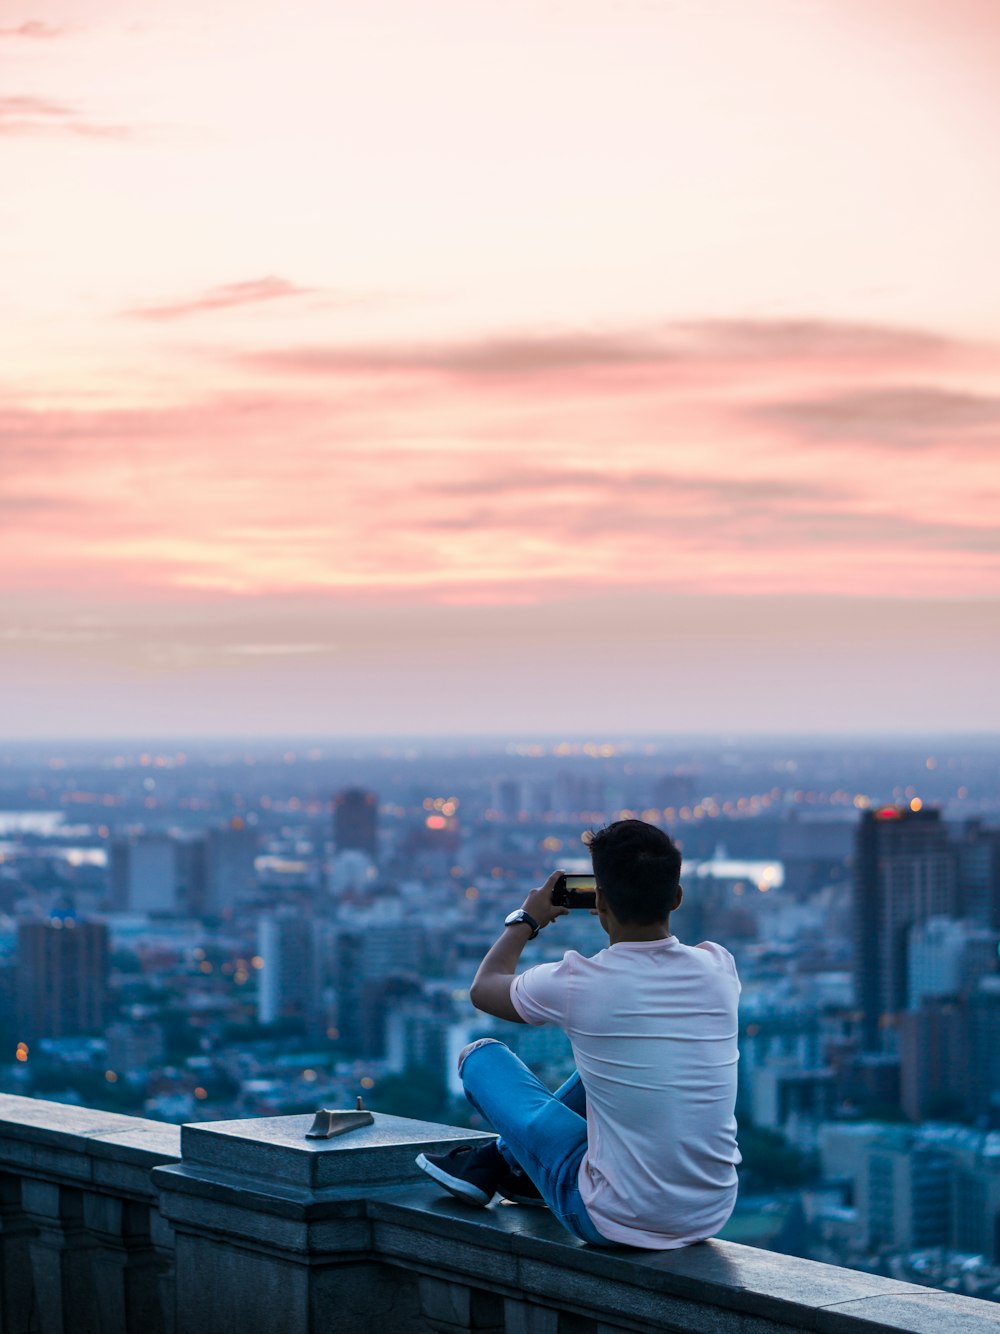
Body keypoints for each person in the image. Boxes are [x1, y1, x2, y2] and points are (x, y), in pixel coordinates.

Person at [416, 818, 741, 1249]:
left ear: (598, 902)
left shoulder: (579, 981)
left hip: (607, 1217)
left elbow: (483, 988)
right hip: (709, 1212)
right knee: (607, 1073)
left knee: (480, 1057)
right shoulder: (719, 967)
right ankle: (496, 1166)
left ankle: (493, 1165)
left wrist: (527, 918)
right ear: (677, 897)